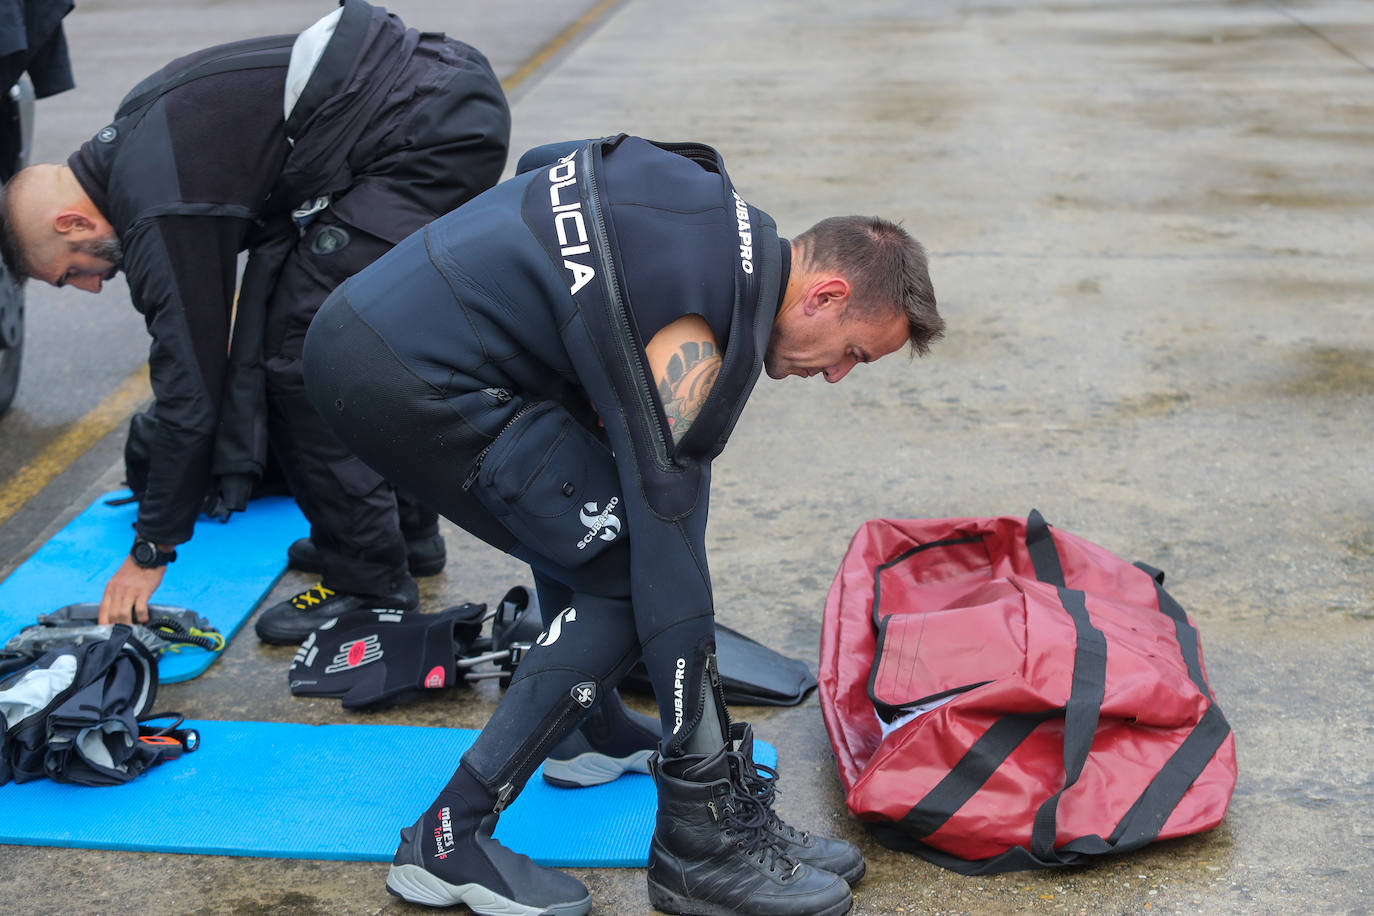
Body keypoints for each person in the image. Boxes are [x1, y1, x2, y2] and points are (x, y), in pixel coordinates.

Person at [303, 134, 943, 916]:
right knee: (623, 576)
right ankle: (449, 837)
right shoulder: (700, 330)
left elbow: (545, 160)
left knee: (588, 515)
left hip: (375, 326)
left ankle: (591, 734)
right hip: (405, 377)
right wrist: (699, 770)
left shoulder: (702, 197)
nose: (838, 376)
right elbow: (669, 545)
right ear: (827, 295)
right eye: (852, 354)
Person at [0, 0, 510, 642]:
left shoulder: (157, 209)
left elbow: (190, 390)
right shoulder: (131, 141)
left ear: (71, 223)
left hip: (426, 133)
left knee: (312, 360)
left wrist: (150, 550)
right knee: (307, 342)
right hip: (429, 95)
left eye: (72, 270)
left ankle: (370, 586)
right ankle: (402, 539)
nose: (93, 285)